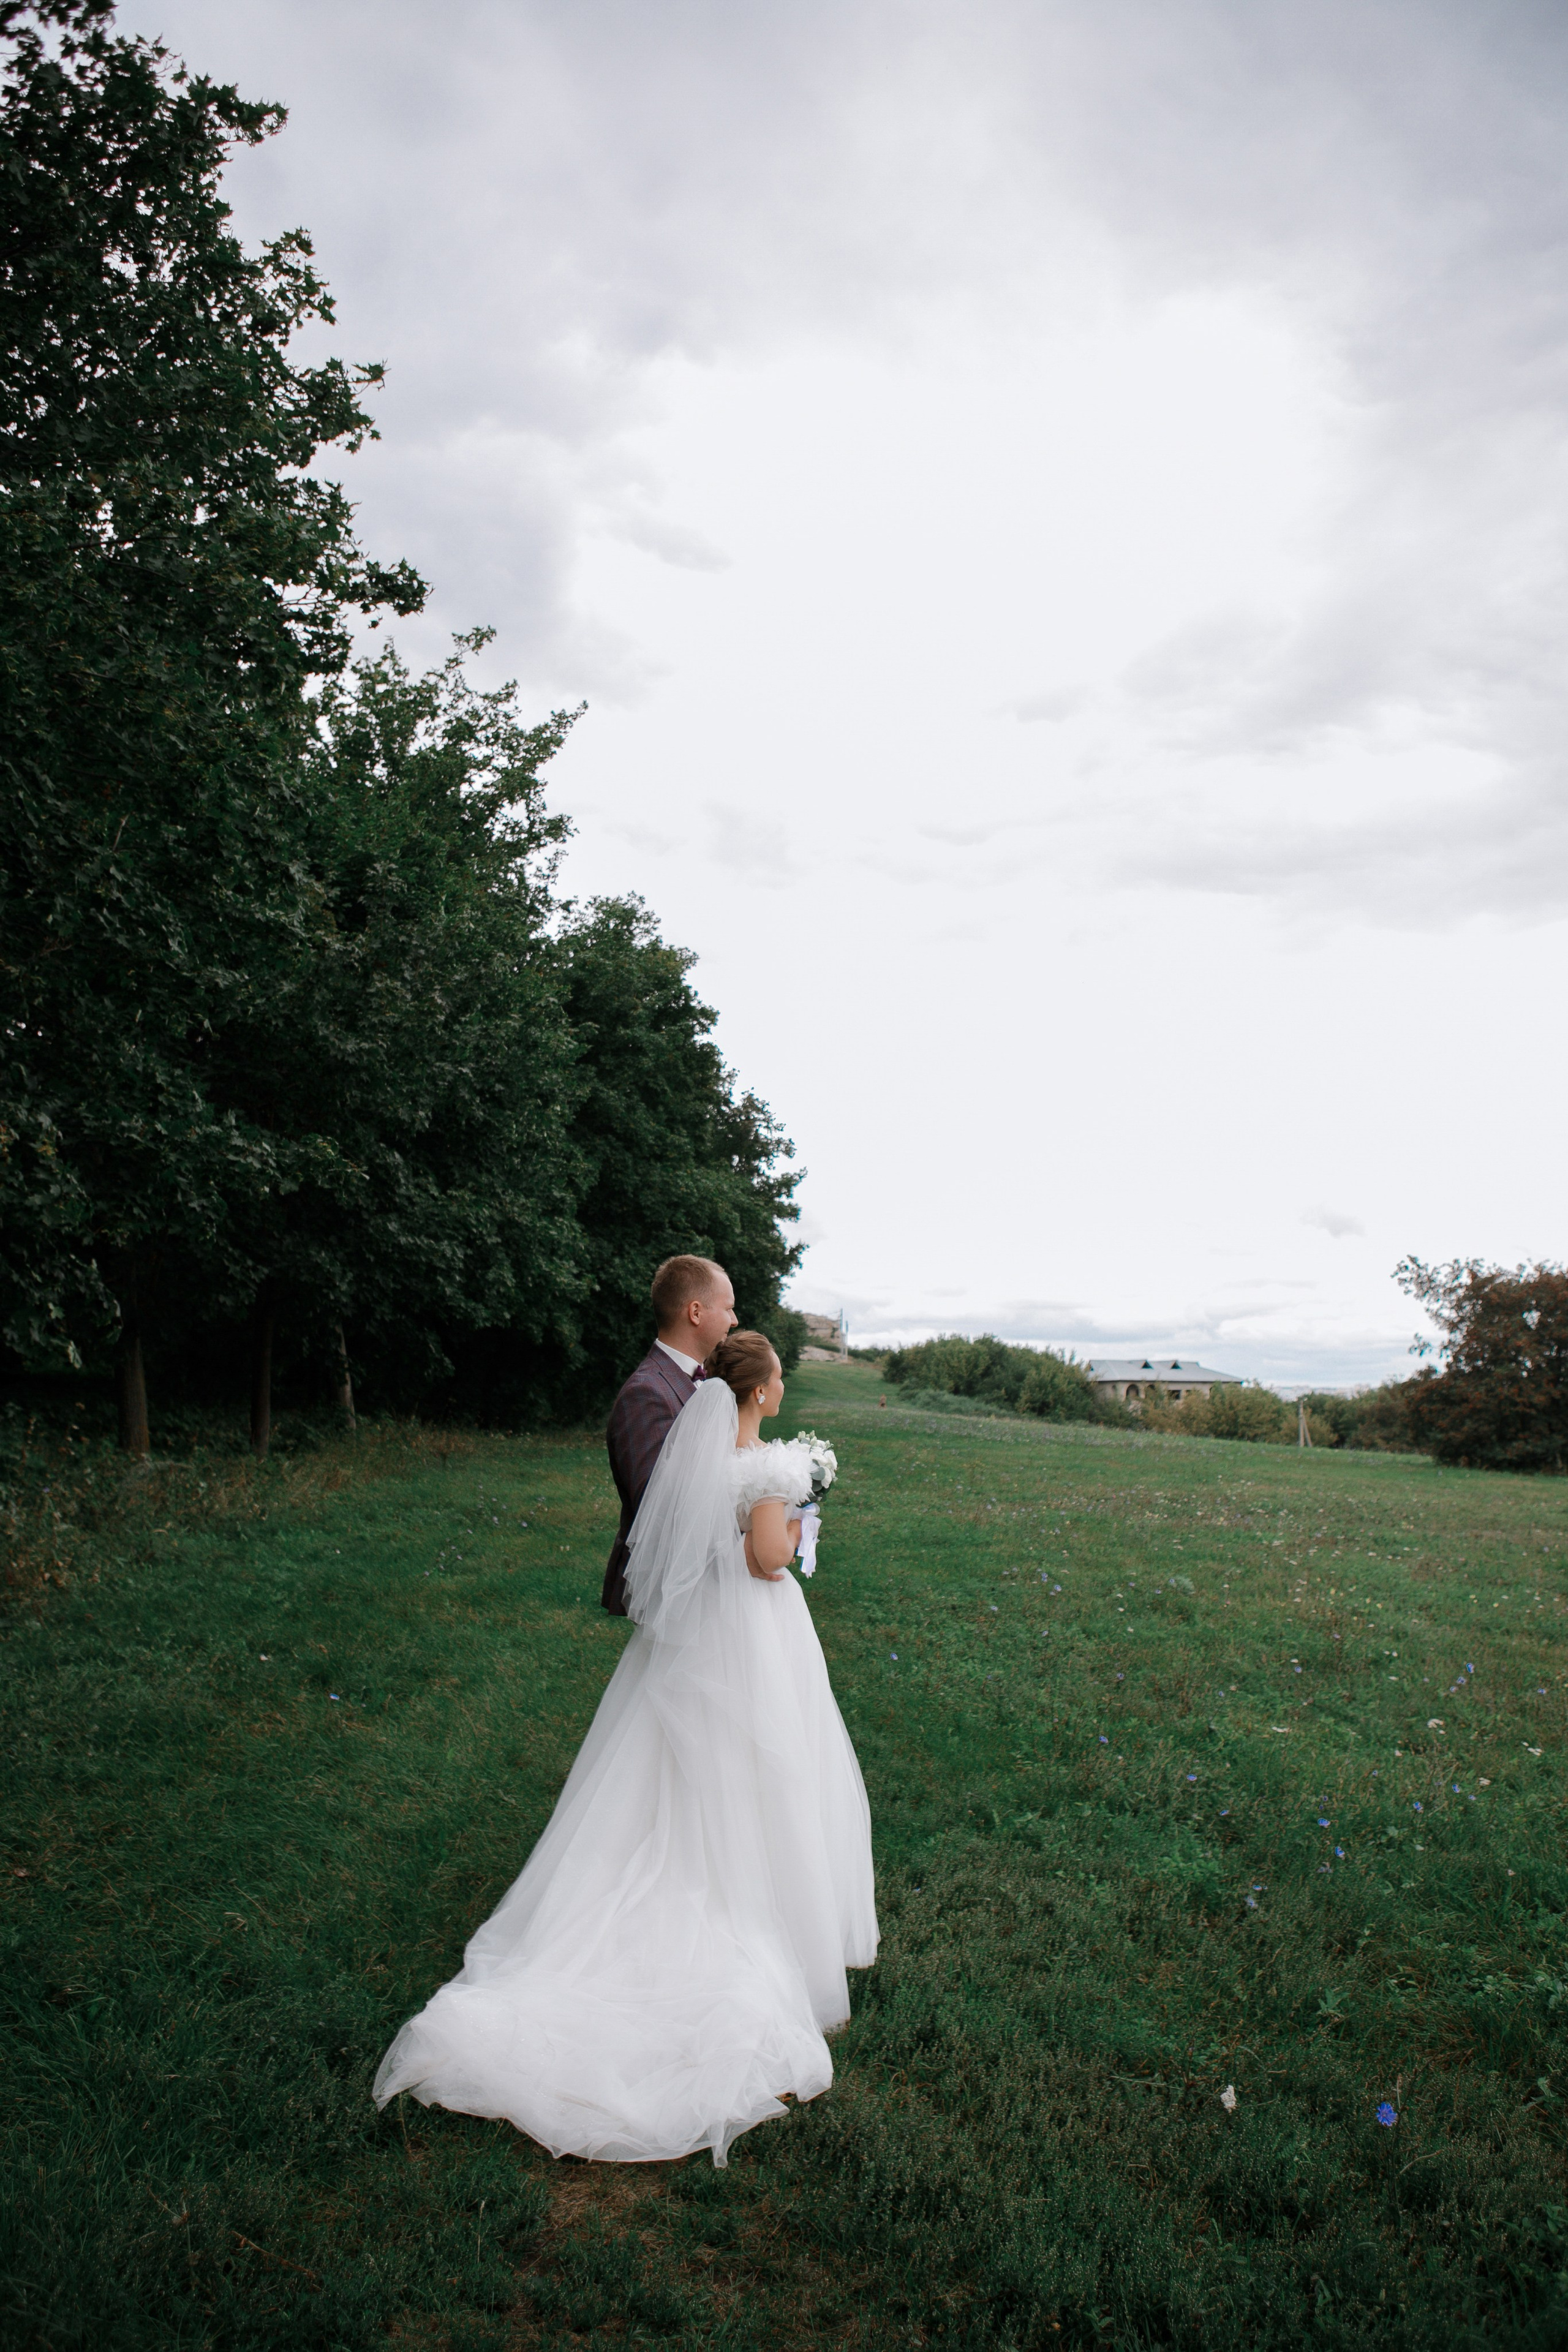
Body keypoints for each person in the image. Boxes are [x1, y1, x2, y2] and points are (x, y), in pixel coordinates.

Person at [372, 1329, 877, 2167]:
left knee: (673, 1774)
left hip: (693, 1640)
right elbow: (763, 1562)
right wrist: (797, 1527)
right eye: (780, 1377)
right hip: (752, 1629)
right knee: (766, 1766)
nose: (785, 1386)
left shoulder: (710, 1462)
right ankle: (759, 1911)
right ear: (757, 1394)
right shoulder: (768, 1471)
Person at [600, 1255, 737, 1617]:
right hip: (671, 1590)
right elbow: (658, 1510)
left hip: (702, 1578)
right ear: (696, 1312)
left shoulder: (700, 1381)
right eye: (728, 1308)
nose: (734, 1321)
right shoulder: (647, 1394)